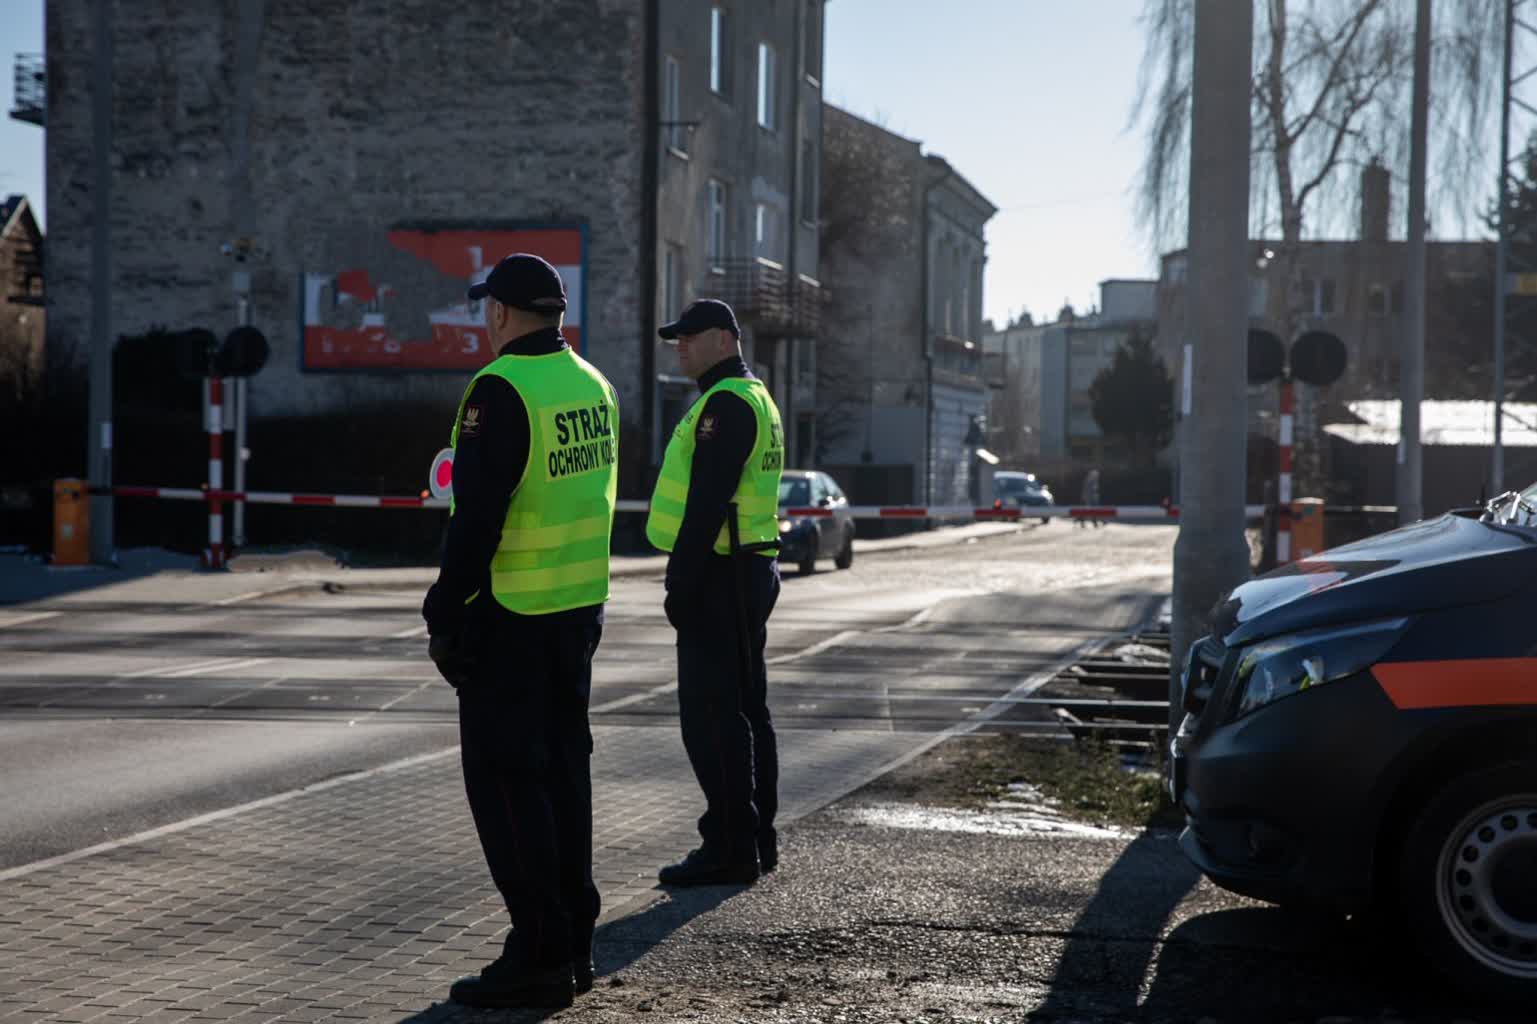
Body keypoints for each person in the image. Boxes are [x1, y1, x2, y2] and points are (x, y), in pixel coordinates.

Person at [422, 253, 619, 1010]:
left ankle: (537, 951)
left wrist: (445, 610)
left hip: (509, 616)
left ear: (500, 313)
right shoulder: (593, 385)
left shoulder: (499, 389)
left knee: (507, 783)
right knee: (565, 777)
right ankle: (572, 941)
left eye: (486, 310)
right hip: (577, 612)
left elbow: (477, 517)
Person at [646, 299, 785, 887]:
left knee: (711, 717)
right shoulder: (752, 396)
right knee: (746, 707)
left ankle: (728, 846)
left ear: (726, 340)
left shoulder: (724, 405)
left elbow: (705, 504)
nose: (681, 345)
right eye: (676, 338)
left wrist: (680, 582)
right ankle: (755, 838)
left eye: (692, 336)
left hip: (721, 573)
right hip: (746, 568)